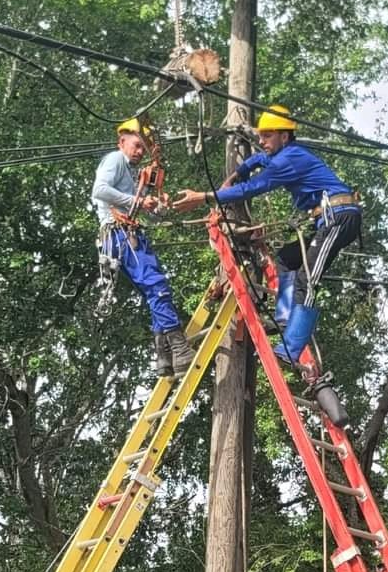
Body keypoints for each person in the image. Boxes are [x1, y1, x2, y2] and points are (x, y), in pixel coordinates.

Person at [172, 106, 361, 363]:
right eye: (260, 136)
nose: (262, 142)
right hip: (330, 219)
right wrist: (237, 172)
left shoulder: (289, 159)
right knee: (286, 258)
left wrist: (204, 196)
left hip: (339, 216)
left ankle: (292, 349)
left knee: (308, 278)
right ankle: (283, 317)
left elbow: (253, 188)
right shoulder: (285, 155)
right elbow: (259, 160)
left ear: (285, 136)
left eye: (268, 136)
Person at [93, 119, 196, 378]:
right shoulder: (115, 159)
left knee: (155, 291)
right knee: (156, 285)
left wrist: (156, 207)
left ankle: (164, 357)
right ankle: (179, 350)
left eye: (143, 148)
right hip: (120, 234)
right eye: (137, 145)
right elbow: (100, 190)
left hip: (128, 232)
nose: (140, 152)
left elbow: (135, 207)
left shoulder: (131, 173)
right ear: (122, 142)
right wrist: (138, 200)